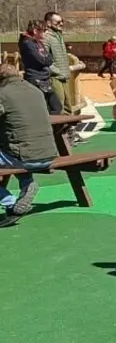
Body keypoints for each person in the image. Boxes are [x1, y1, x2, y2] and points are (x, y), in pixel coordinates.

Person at [0, 64, 59, 226]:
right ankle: (27, 184)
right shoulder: (35, 91)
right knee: (18, 146)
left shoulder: (2, 94)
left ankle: (10, 202)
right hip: (48, 153)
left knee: (14, 150)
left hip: (23, 157)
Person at [18, 20, 61, 115]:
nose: (46, 33)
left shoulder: (38, 42)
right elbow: (41, 60)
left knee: (56, 106)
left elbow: (49, 59)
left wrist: (45, 59)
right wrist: (45, 59)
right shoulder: (27, 43)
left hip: (45, 78)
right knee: (43, 107)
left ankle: (54, 128)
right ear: (35, 31)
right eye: (44, 30)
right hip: (35, 79)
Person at [43, 12, 73, 114]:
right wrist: (56, 71)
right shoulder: (46, 38)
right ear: (48, 23)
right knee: (59, 107)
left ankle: (69, 127)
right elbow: (44, 59)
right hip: (55, 77)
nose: (61, 24)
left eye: (62, 21)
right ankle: (59, 129)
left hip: (64, 76)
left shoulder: (58, 36)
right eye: (58, 22)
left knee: (68, 105)